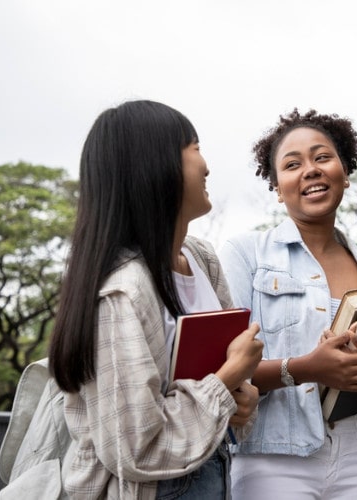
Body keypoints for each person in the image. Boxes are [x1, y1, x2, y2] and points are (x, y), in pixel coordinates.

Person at [48, 99, 263, 499]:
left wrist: (241, 398)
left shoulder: (202, 260)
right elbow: (134, 448)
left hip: (212, 470)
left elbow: (225, 380)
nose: (207, 165)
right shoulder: (121, 292)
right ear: (156, 165)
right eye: (195, 147)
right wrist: (229, 378)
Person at [219, 108, 357, 499]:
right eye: (292, 164)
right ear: (276, 185)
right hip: (274, 459)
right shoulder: (245, 256)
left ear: (345, 171)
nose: (311, 170)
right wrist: (305, 369)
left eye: (322, 157)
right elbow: (223, 368)